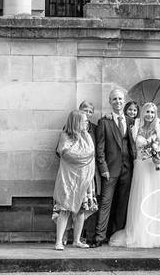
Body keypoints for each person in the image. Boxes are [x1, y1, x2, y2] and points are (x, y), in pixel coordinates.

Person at [108, 102, 160, 248]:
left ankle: (156, 232)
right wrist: (109, 115)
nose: (150, 115)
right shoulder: (135, 127)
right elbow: (120, 121)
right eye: (147, 112)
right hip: (141, 168)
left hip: (155, 168)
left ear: (156, 114)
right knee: (141, 197)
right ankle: (139, 233)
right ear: (143, 113)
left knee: (156, 199)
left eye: (152, 112)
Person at [92, 88, 134, 247]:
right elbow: (100, 148)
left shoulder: (131, 121)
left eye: (120, 99)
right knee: (105, 202)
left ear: (124, 102)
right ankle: (99, 237)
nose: (118, 102)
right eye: (114, 99)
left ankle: (116, 235)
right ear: (110, 102)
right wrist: (103, 168)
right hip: (110, 169)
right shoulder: (104, 122)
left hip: (128, 169)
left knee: (123, 203)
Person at [53, 109, 97, 250]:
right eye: (84, 121)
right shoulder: (65, 136)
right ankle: (59, 241)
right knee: (64, 209)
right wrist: (85, 154)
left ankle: (77, 240)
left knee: (81, 211)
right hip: (69, 179)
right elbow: (68, 154)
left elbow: (90, 153)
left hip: (85, 178)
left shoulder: (87, 137)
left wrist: (85, 154)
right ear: (76, 122)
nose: (86, 123)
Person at [78, 100, 100, 245]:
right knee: (76, 202)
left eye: (90, 111)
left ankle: (89, 235)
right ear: (80, 110)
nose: (88, 113)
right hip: (76, 170)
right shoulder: (71, 126)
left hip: (92, 170)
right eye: (85, 110)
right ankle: (73, 236)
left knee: (91, 201)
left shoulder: (95, 128)